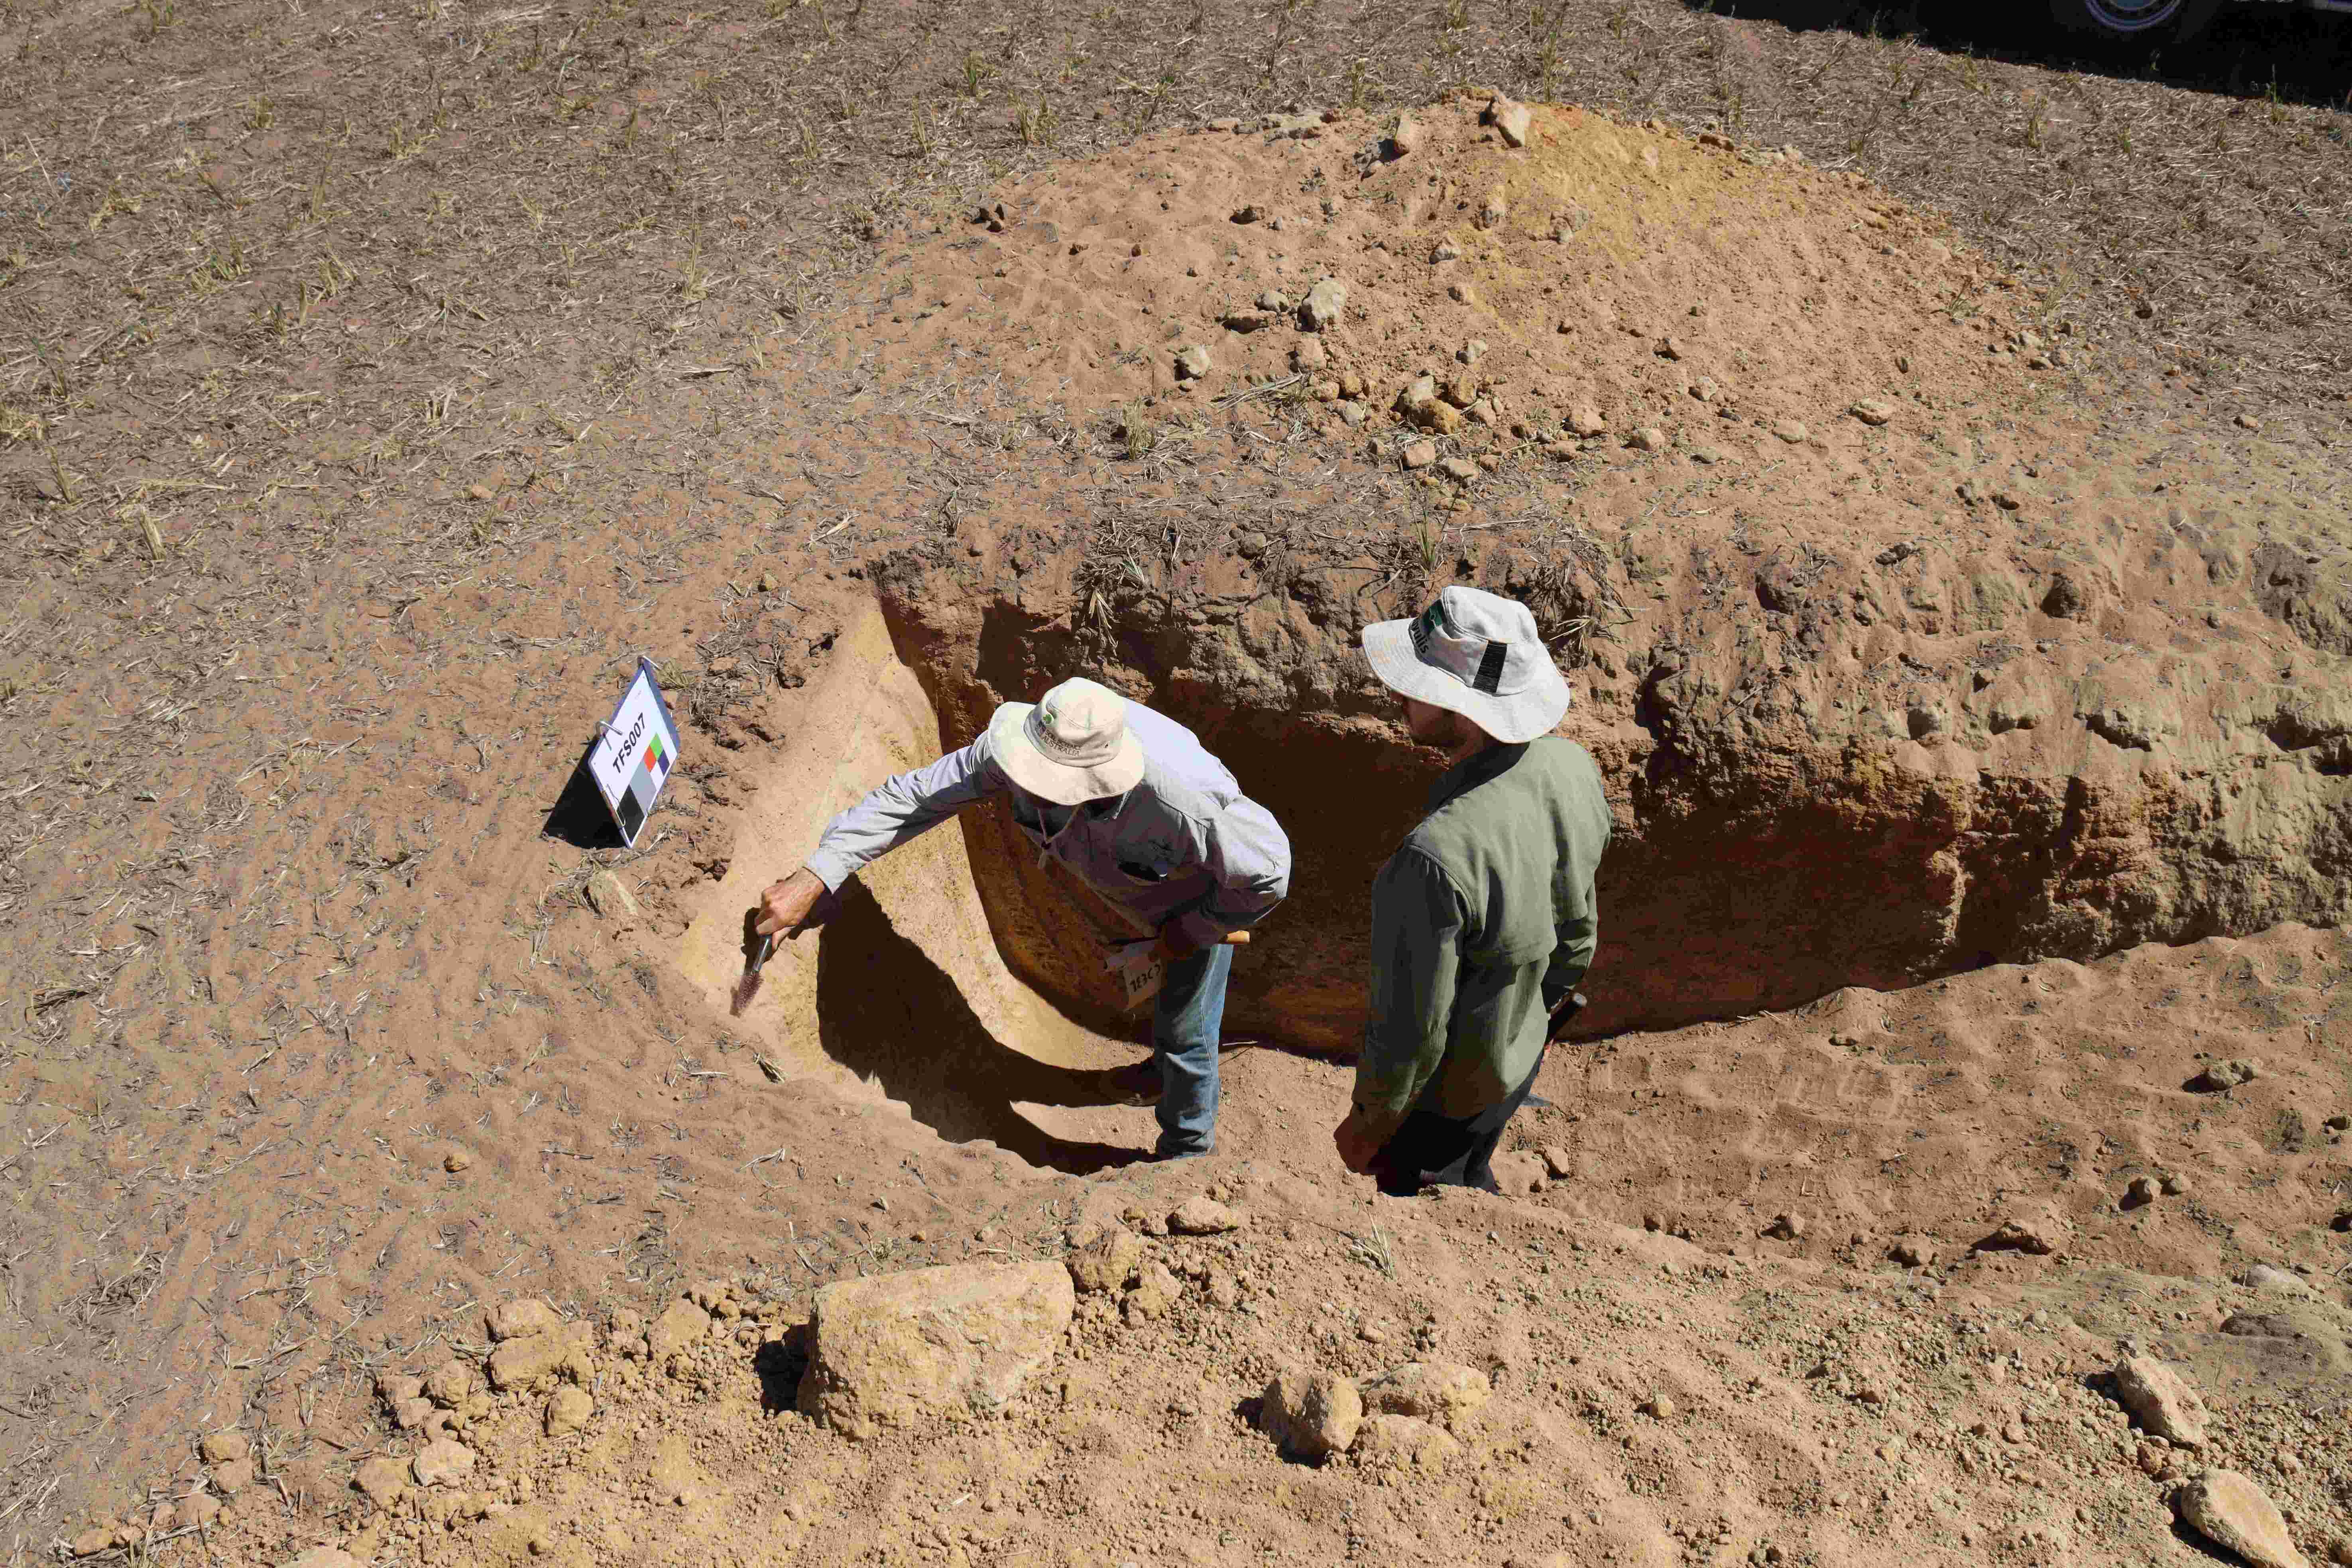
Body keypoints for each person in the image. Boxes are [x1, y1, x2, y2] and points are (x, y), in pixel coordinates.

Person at [757, 677, 1290, 1160]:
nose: (1026, 786)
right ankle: (1158, 1077)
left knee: (1186, 1029)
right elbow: (914, 798)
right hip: (1128, 888)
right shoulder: (1019, 750)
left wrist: (1188, 932)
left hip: (1194, 902)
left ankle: (1187, 1151)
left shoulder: (1184, 803)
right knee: (1163, 1010)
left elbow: (1269, 870)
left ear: (1098, 781)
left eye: (1048, 784)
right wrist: (817, 874)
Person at [1331, 586, 1611, 1196]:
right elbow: (1578, 937)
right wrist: (1522, 1023)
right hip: (1519, 1054)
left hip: (1442, 1108)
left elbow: (1412, 1037)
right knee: (1471, 1175)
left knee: (1436, 1218)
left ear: (1463, 706)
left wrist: (1368, 1126)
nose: (1398, 693)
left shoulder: (1432, 860)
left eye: (1418, 683)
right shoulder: (1574, 769)